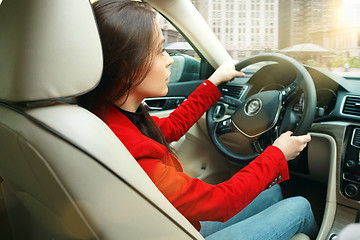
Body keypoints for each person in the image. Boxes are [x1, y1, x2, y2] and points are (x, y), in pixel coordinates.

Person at [78, 0, 318, 239]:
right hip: (176, 232)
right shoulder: (131, 148)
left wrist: (213, 83)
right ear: (127, 67)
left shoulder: (108, 114)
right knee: (300, 207)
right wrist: (277, 154)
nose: (169, 59)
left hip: (172, 226)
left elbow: (169, 128)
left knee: (272, 191)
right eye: (160, 50)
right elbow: (221, 201)